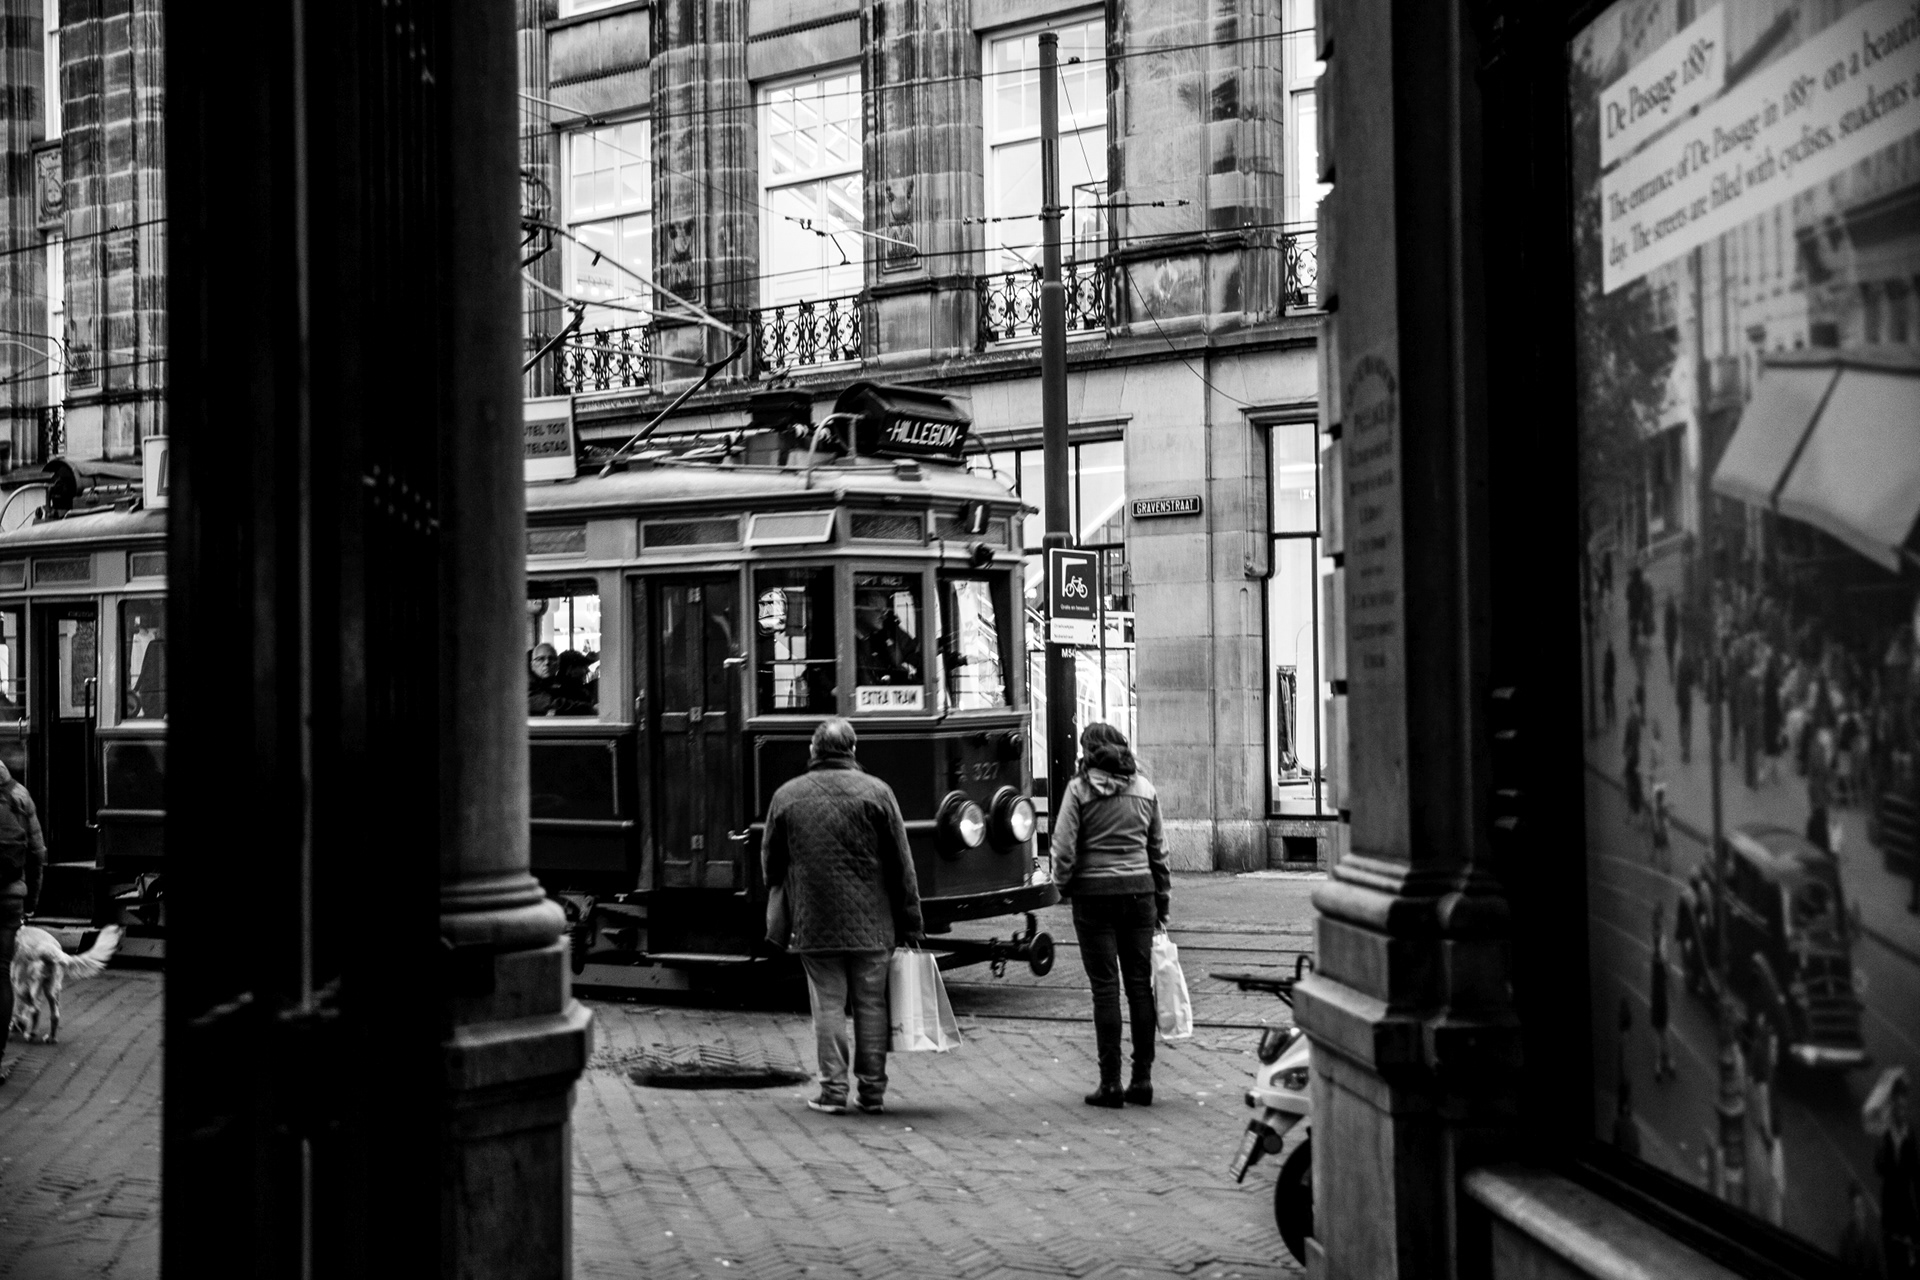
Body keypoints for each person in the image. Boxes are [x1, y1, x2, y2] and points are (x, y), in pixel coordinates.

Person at [762, 718, 923, 1116]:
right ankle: (872, 1093)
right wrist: (912, 921)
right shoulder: (878, 793)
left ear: (814, 752)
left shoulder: (787, 796)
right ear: (853, 751)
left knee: (828, 1006)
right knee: (872, 1006)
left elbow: (771, 863)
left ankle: (833, 1091)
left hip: (815, 921)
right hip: (874, 925)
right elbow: (902, 864)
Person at [1051, 723, 1170, 1108]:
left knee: (1105, 988)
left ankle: (1110, 1084)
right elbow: (1159, 853)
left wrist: (1064, 885)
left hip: (1093, 896)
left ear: (1088, 753)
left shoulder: (1079, 790)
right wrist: (1161, 900)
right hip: (1140, 893)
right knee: (1139, 985)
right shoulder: (1145, 789)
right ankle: (1143, 1079)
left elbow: (1064, 847)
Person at [0, 759, 47, 1082]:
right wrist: (29, 901)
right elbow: (36, 853)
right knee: (1, 974)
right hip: (8, 898)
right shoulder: (19, 794)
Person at [1880, 1075, 1919, 1280]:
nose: (1901, 1112)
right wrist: (1883, 1149)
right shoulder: (1886, 1134)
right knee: (1892, 1261)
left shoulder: (1910, 1134)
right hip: (1889, 1208)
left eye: (1904, 1107)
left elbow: (1915, 1173)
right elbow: (1879, 1169)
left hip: (1905, 1208)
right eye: (1897, 1106)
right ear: (1892, 1106)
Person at [1839, 1179, 1887, 1279]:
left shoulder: (1871, 1242)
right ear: (1851, 1212)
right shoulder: (1846, 1239)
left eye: (1861, 1207)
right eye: (1855, 1209)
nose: (1859, 1213)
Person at [1648, 903, 1673, 1083]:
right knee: (1664, 1028)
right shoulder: (1662, 940)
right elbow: (1665, 962)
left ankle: (1658, 1064)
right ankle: (1670, 1062)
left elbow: (1655, 958)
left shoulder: (1652, 939)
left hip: (1655, 987)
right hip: (1661, 989)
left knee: (1658, 1029)